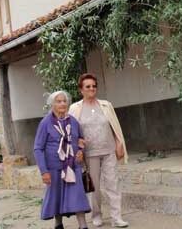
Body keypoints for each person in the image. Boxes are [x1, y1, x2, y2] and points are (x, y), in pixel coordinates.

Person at [69, 73, 129, 228]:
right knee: (94, 187)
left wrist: (119, 143)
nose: (92, 89)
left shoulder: (105, 105)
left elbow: (115, 126)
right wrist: (77, 148)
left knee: (113, 184)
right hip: (90, 154)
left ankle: (117, 217)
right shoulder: (75, 108)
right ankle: (96, 216)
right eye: (88, 86)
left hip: (109, 150)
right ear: (81, 89)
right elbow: (71, 131)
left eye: (94, 86)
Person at [34, 90, 90, 229]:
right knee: (56, 196)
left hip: (73, 166)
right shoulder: (45, 123)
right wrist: (44, 171)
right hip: (53, 167)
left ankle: (83, 225)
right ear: (52, 104)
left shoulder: (73, 121)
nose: (62, 104)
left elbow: (81, 140)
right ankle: (58, 224)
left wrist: (81, 151)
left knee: (77, 195)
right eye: (58, 101)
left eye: (64, 101)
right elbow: (38, 148)